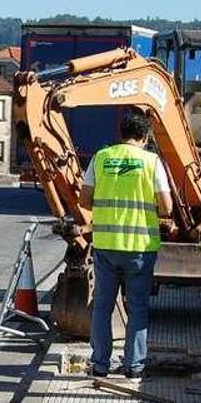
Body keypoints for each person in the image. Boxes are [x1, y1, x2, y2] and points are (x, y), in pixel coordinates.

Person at [80, 110, 174, 379]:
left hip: (106, 245)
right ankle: (134, 367)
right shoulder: (151, 162)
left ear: (120, 134)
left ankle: (99, 365)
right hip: (140, 248)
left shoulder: (101, 158)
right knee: (137, 308)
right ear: (144, 137)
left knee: (102, 307)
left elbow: (84, 200)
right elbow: (166, 207)